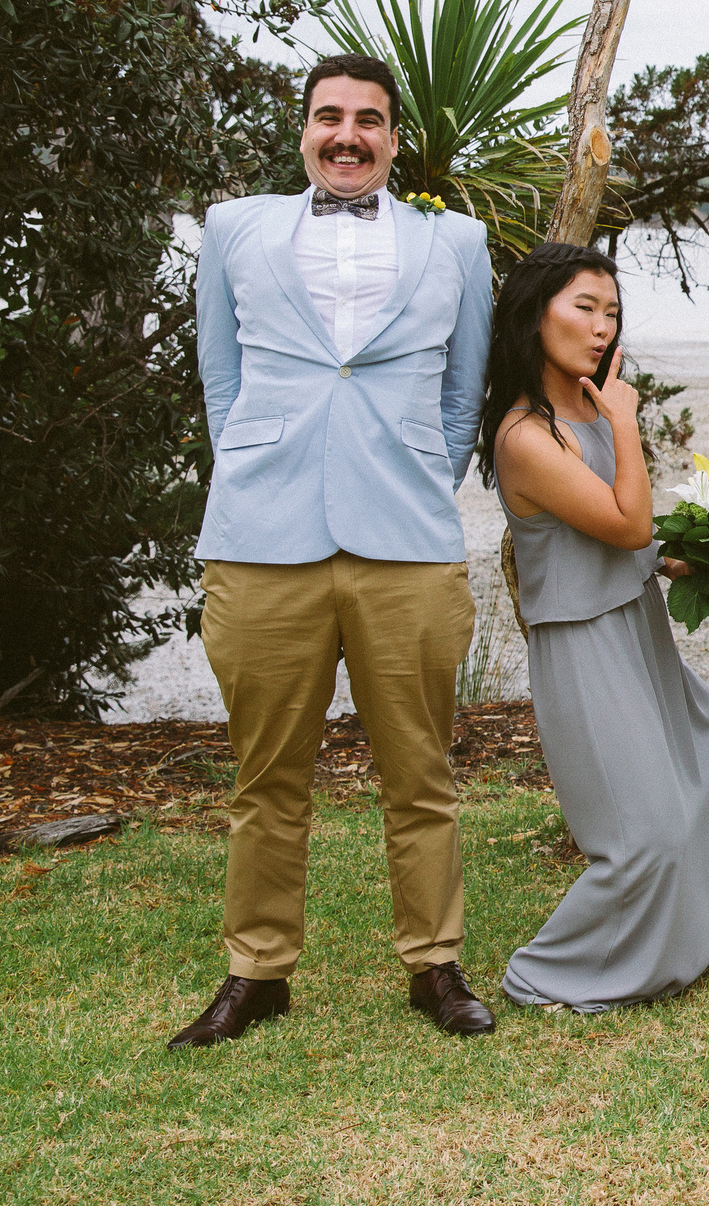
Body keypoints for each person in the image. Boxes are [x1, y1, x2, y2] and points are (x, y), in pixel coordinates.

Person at [173, 53, 496, 1048]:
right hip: (262, 542)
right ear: (303, 128)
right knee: (264, 776)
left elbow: (461, 398)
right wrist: (268, 471)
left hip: (407, 542)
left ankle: (434, 967)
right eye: (328, 117)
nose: (346, 135)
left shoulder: (458, 242)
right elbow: (221, 383)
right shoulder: (235, 230)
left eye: (368, 119)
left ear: (396, 138)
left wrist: (405, 477)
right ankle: (256, 971)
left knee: (422, 771)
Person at [480, 244, 709, 1012]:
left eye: (612, 312)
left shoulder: (584, 410)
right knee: (644, 834)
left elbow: (621, 530)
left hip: (635, 621)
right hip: (584, 641)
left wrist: (682, 557)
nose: (602, 327)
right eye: (584, 308)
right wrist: (625, 415)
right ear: (536, 316)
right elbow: (626, 520)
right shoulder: (525, 435)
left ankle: (699, 925)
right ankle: (545, 973)